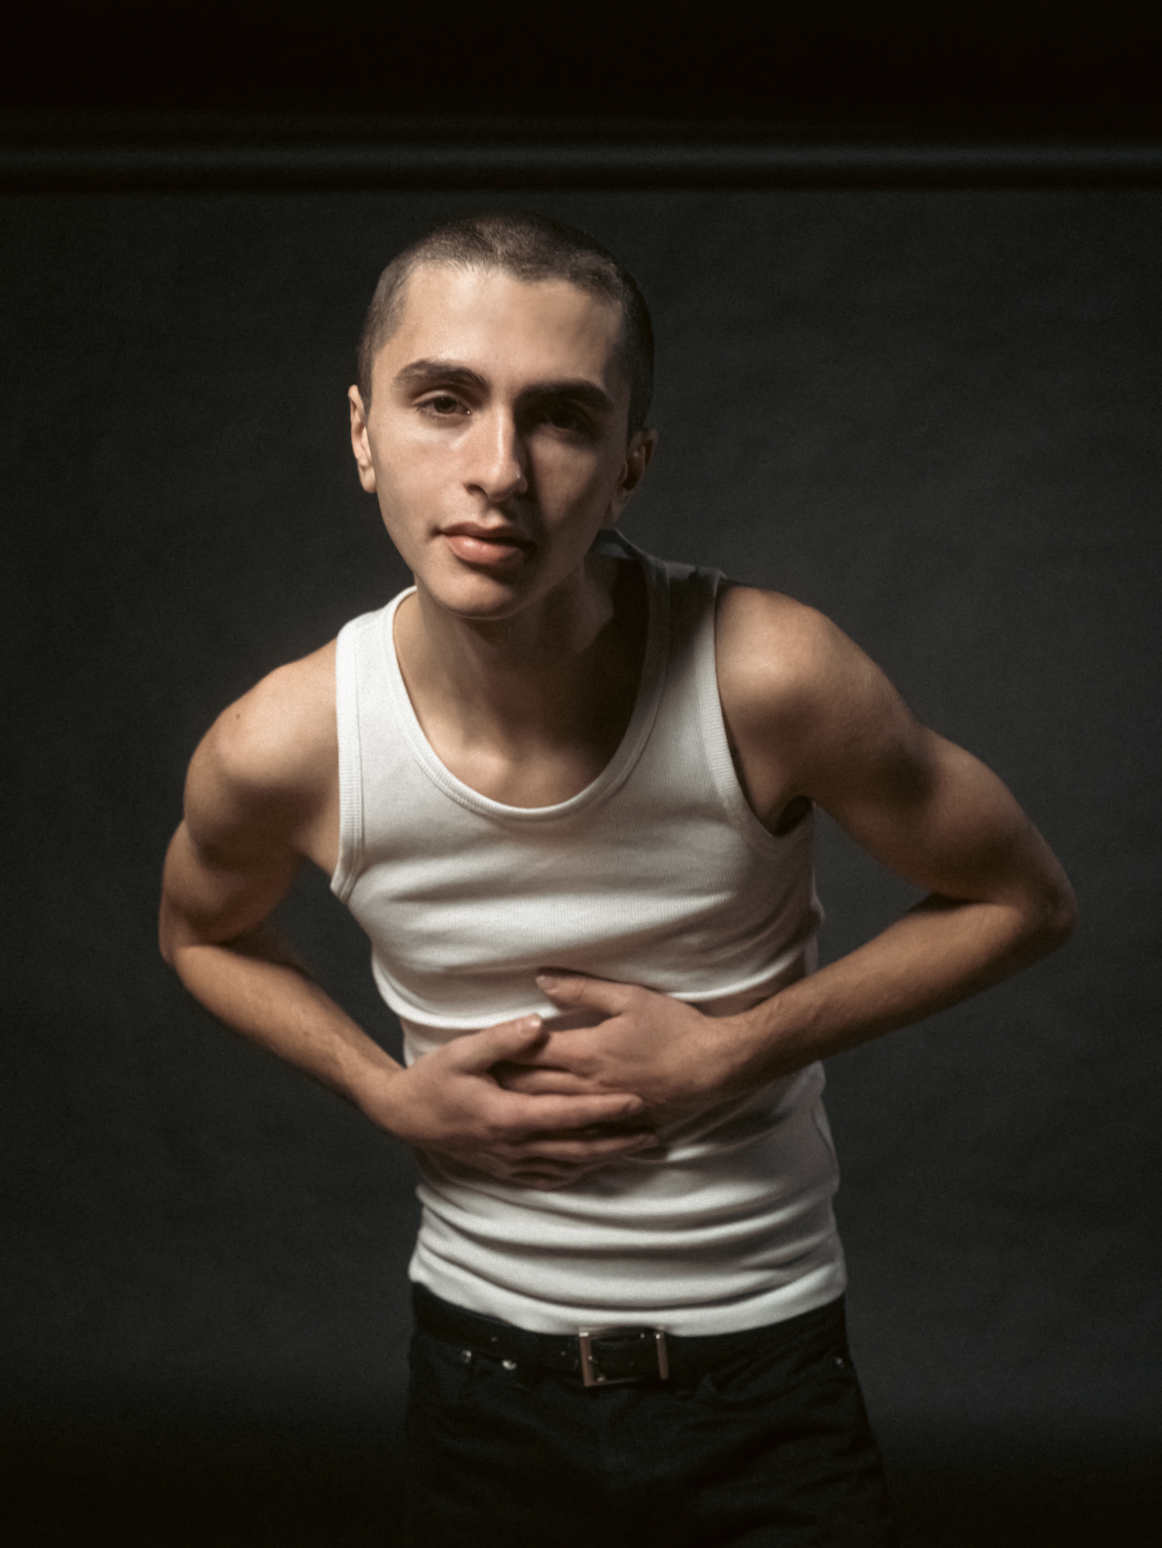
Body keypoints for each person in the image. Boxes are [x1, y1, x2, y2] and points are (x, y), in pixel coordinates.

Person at [158, 211, 1077, 1546]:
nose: (497, 473)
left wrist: (736, 1052)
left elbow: (1027, 899)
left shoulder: (767, 676)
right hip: (479, 1388)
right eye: (442, 402)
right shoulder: (286, 742)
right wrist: (381, 1089)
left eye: (562, 420)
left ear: (628, 465)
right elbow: (200, 933)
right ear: (362, 433)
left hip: (762, 1383)